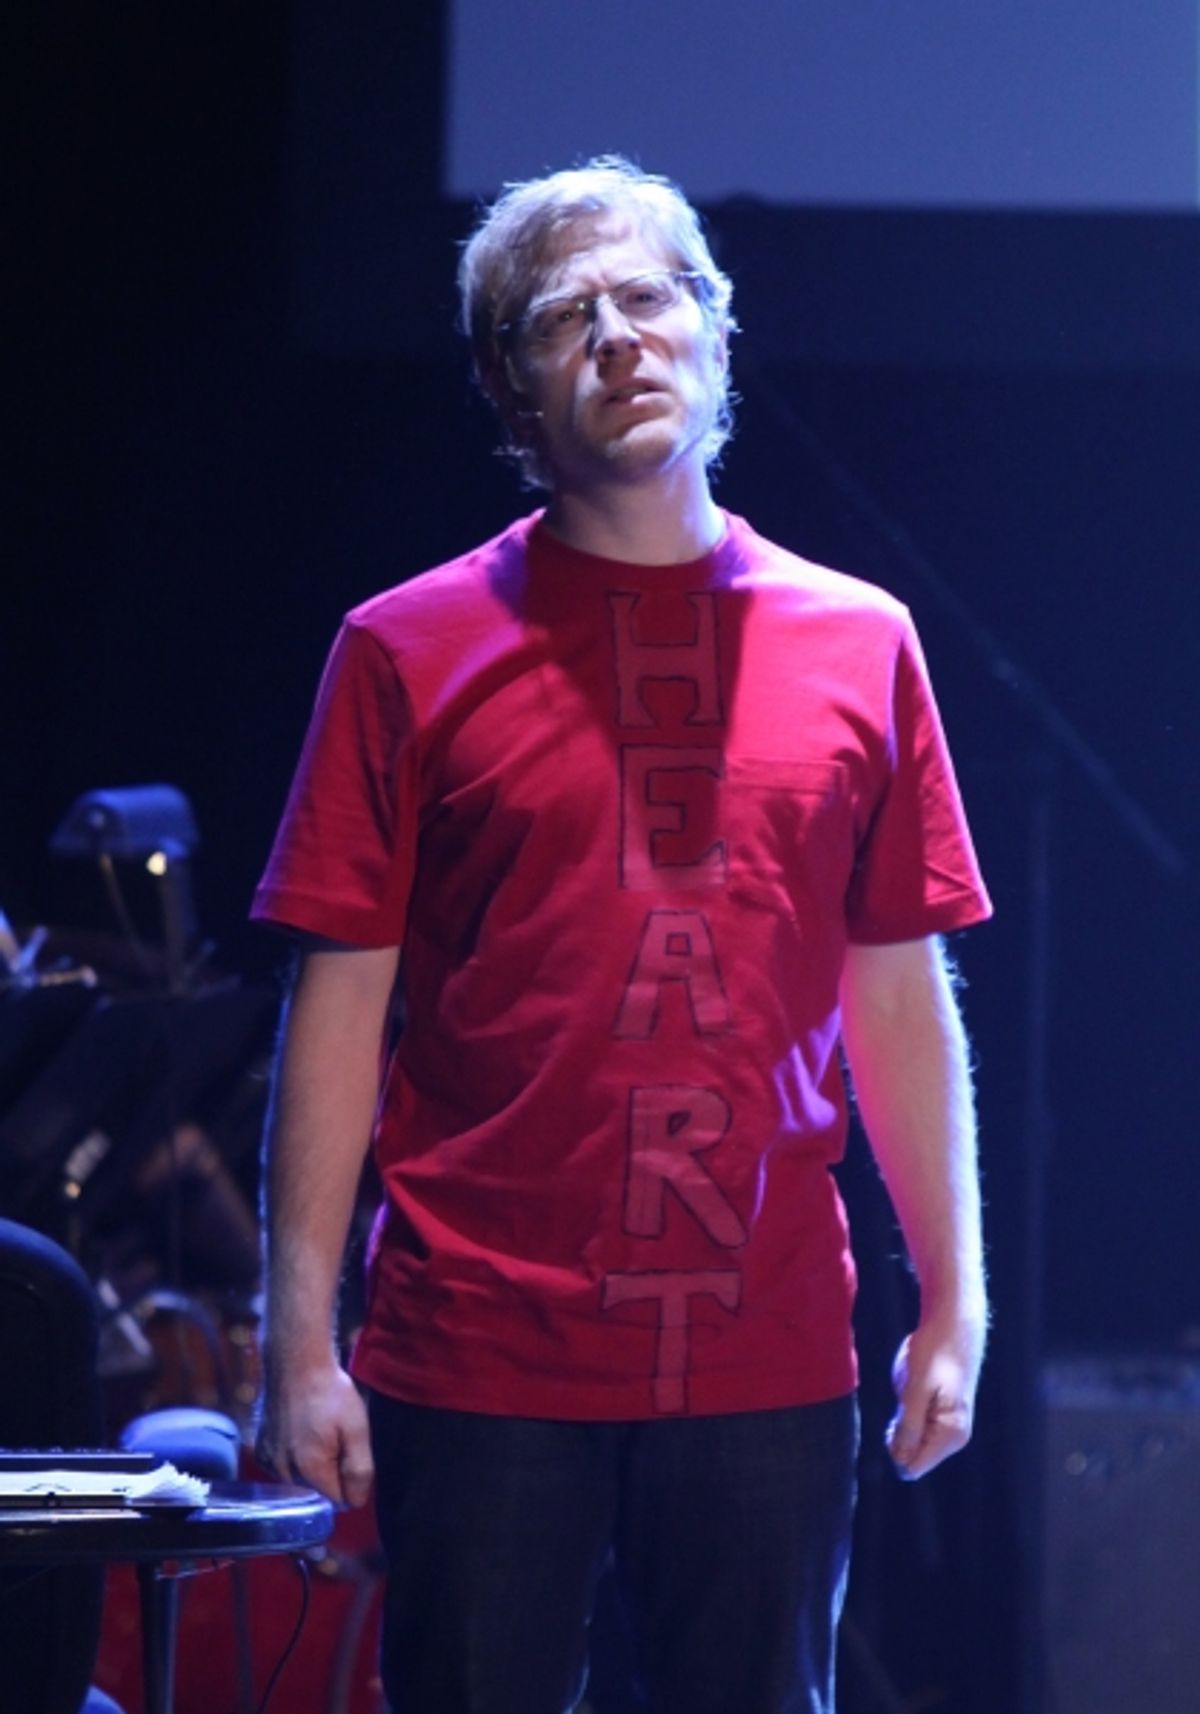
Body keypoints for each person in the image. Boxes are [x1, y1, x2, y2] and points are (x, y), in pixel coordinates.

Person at [253, 155, 992, 1714]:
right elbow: (339, 1005)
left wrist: (955, 1288)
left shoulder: (866, 642)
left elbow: (899, 995)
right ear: (510, 394)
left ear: (717, 335)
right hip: (478, 1348)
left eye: (648, 295)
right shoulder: (403, 648)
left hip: (767, 1351)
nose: (616, 336)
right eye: (559, 317)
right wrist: (297, 1335)